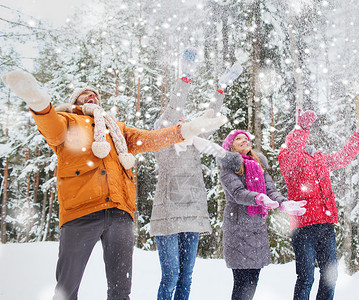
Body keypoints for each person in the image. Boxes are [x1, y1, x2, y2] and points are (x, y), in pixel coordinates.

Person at [1, 69, 226, 300]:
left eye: (95, 94)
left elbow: (149, 139)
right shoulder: (68, 121)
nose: (92, 96)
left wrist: (185, 130)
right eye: (85, 94)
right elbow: (50, 127)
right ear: (74, 101)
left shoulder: (115, 129)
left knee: (120, 290)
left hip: (119, 212)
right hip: (80, 212)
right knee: (67, 289)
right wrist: (38, 102)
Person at [150, 48, 243, 300]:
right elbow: (172, 108)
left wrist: (221, 88)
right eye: (175, 119)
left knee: (185, 276)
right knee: (170, 275)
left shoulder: (196, 143)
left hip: (193, 216)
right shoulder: (163, 142)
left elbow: (210, 117)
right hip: (168, 216)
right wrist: (185, 78)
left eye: (183, 118)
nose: (181, 119)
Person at [278, 109, 359, 300]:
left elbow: (344, 157)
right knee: (306, 278)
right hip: (303, 227)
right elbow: (294, 150)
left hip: (325, 225)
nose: (302, 140)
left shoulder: (320, 160)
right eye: (297, 138)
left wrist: (358, 135)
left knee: (330, 277)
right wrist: (301, 128)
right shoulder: (288, 159)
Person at [217, 129, 307, 300]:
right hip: (238, 229)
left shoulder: (259, 165)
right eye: (238, 139)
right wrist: (258, 198)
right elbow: (237, 192)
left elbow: (271, 191)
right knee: (242, 284)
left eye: (245, 138)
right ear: (231, 147)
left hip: (257, 229)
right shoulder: (228, 168)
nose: (244, 140)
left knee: (253, 282)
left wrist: (283, 202)